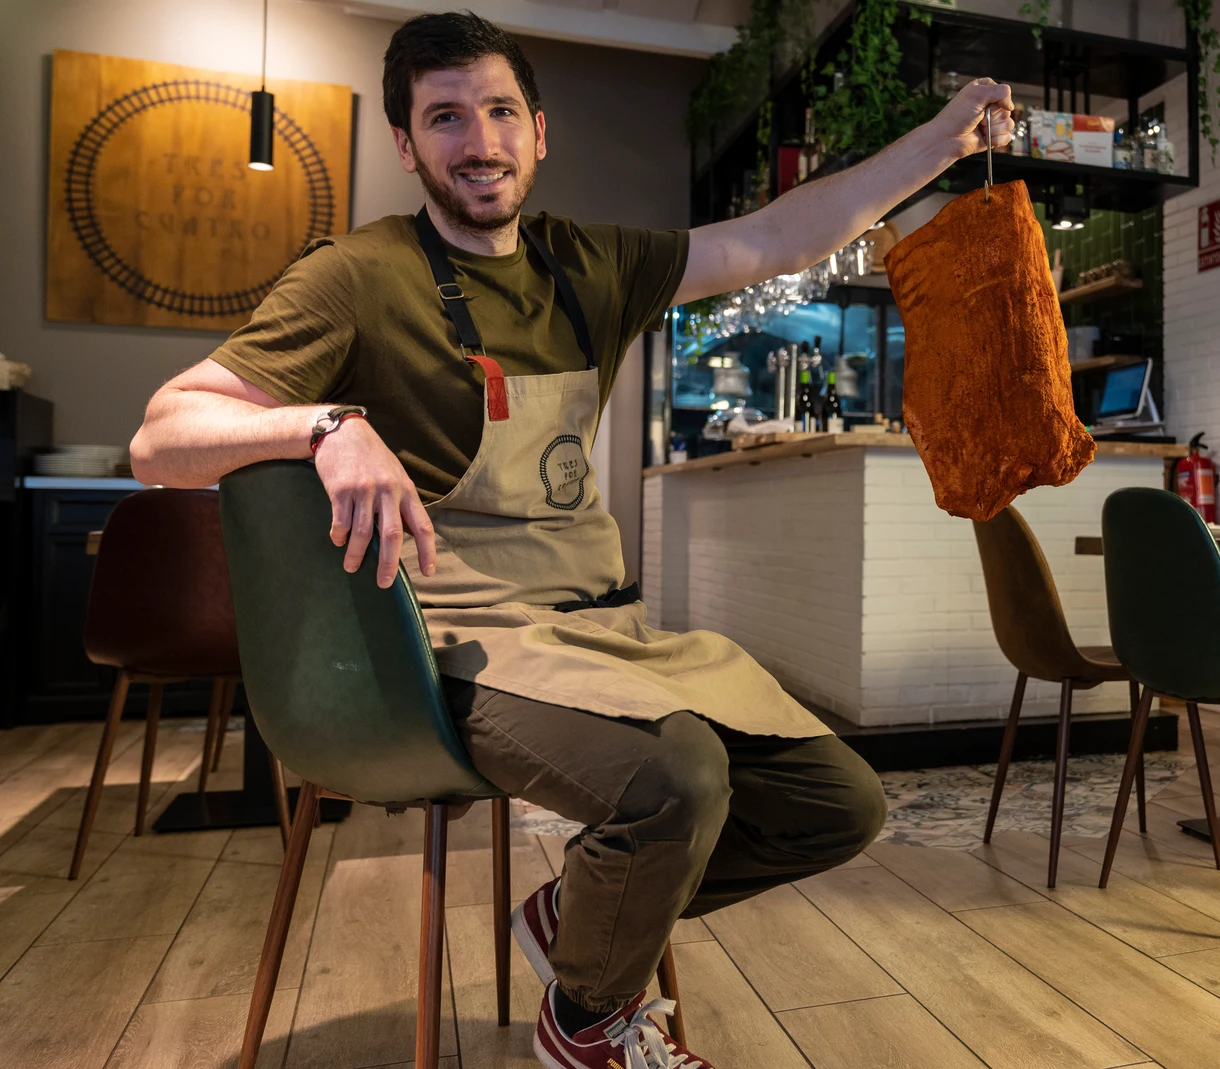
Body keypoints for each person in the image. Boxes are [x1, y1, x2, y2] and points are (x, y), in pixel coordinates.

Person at [129, 13, 1012, 1069]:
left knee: (838, 804)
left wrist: (944, 140)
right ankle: (588, 1024)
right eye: (445, 117)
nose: (479, 140)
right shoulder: (356, 277)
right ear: (408, 146)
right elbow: (160, 435)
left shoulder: (590, 265)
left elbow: (779, 236)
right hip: (451, 635)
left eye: (500, 111)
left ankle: (570, 923)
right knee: (676, 780)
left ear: (539, 132)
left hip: (605, 628)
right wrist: (326, 424)